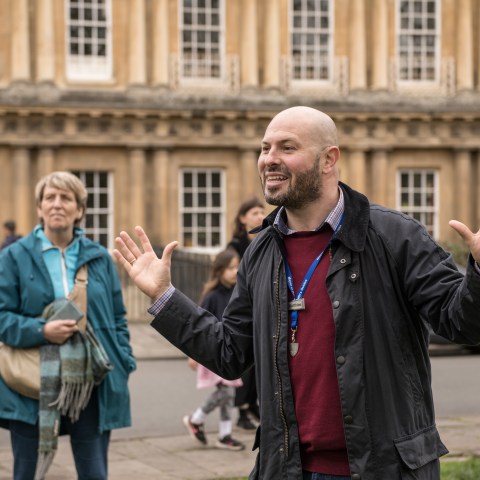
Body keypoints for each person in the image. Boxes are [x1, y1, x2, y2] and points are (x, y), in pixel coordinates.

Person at [113, 106, 480, 480]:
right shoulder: (261, 251)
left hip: (384, 469)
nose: (269, 159)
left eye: (287, 148)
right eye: (265, 148)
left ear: (328, 159)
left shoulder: (394, 236)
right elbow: (229, 353)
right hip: (287, 470)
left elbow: (463, 324)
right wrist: (164, 296)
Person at [0, 171, 136, 480]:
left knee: (94, 473)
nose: (57, 204)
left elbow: (117, 317)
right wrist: (41, 330)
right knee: (27, 473)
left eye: (66, 198)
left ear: (80, 210)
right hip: (31, 380)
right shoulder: (13, 257)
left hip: (90, 381)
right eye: (50, 197)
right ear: (39, 207)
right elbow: (1, 315)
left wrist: (123, 361)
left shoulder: (100, 257)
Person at [183, 248, 245, 451]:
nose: (235, 271)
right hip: (213, 349)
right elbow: (198, 324)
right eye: (231, 267)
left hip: (230, 349)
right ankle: (196, 419)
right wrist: (193, 354)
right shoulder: (211, 296)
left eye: (237, 267)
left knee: (228, 394)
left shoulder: (237, 293)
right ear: (219, 270)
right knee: (226, 392)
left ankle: (224, 434)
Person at [227, 198, 265, 430]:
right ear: (243, 218)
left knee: (258, 366)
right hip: (240, 306)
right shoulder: (235, 247)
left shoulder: (266, 240)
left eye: (262, 211)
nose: (260, 216)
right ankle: (242, 410)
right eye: (254, 212)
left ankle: (252, 404)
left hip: (259, 307)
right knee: (243, 366)